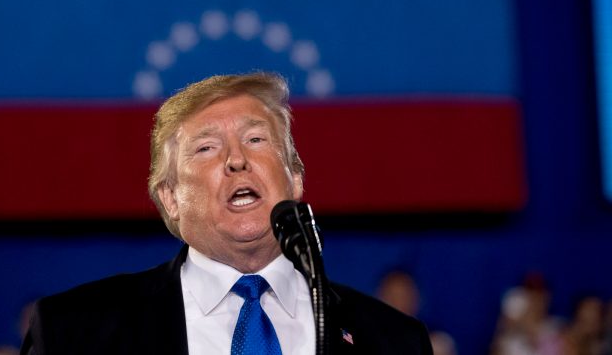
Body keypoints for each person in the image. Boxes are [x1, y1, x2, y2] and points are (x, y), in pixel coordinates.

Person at [21, 72, 432, 354]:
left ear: (295, 180)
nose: (237, 159)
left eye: (256, 139)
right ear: (171, 198)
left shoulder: (393, 340)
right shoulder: (74, 332)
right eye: (207, 148)